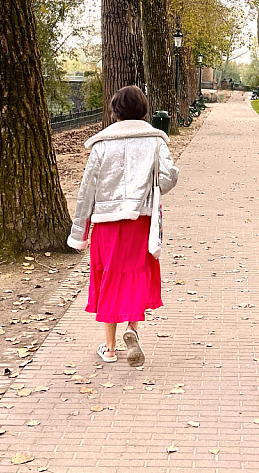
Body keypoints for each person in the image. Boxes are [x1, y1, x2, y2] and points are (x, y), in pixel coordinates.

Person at [67, 85, 179, 366]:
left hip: (107, 224)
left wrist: (78, 233)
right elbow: (169, 178)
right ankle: (133, 329)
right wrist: (150, 189)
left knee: (109, 278)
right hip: (140, 222)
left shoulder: (101, 145)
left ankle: (110, 348)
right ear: (143, 110)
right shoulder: (155, 141)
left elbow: (86, 191)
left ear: (115, 112)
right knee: (137, 273)